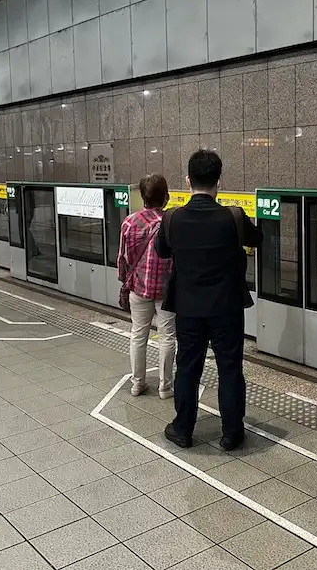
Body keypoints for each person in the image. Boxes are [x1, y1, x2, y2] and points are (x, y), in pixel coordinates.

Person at [157, 150, 263, 451]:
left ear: (188, 179)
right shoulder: (233, 216)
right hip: (227, 307)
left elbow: (162, 251)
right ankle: (232, 433)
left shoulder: (172, 217)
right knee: (230, 368)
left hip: (188, 309)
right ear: (219, 180)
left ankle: (183, 430)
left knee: (188, 367)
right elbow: (259, 239)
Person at [118, 174, 176, 399]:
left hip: (138, 289)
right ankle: (165, 387)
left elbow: (123, 257)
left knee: (138, 335)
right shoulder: (172, 221)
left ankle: (137, 383)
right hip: (167, 290)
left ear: (143, 197)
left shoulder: (130, 222)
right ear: (166, 197)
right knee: (167, 336)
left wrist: (126, 280)